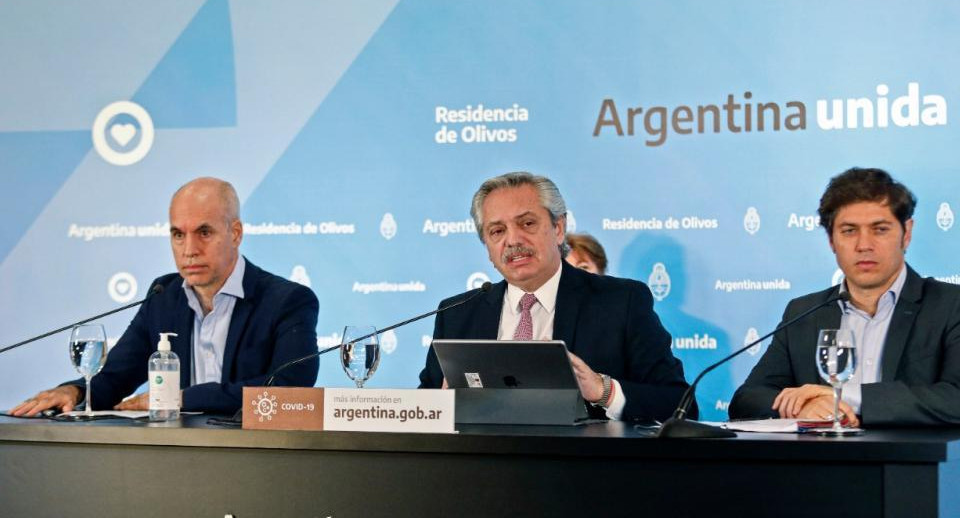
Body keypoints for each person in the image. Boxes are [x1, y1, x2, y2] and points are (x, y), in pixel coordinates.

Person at [11, 177, 319, 416]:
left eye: (204, 232)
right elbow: (116, 376)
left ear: (235, 233)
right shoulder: (164, 296)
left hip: (255, 461)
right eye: (178, 234)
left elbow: (290, 389)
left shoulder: (287, 301)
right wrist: (75, 392)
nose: (189, 250)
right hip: (174, 460)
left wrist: (181, 398)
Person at [418, 172, 692, 422]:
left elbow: (680, 404)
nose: (513, 240)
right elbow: (420, 411)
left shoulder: (621, 302)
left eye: (527, 223)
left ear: (558, 229)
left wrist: (602, 390)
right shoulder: (456, 315)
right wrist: (440, 406)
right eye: (497, 231)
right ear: (487, 247)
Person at [729, 167, 960, 427]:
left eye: (880, 229)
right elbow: (748, 399)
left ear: (906, 234)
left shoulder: (950, 305)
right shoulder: (805, 312)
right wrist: (806, 405)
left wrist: (845, 396)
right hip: (824, 465)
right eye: (849, 231)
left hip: (917, 465)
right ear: (831, 240)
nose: (864, 245)